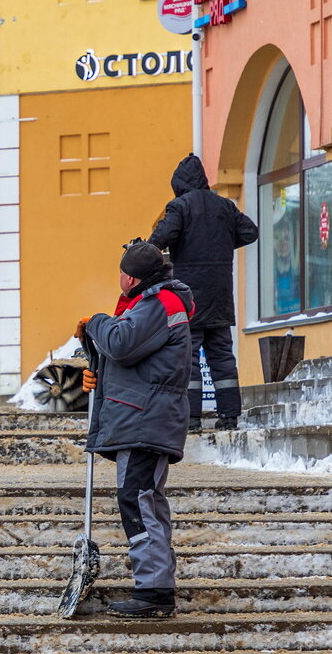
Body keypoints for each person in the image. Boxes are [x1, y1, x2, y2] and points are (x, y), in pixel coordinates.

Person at [77, 241, 194, 619]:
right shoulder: (153, 303)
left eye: (122, 273)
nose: (120, 280)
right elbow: (131, 358)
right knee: (145, 500)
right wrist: (97, 371)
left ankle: (154, 591)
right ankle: (155, 586)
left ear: (132, 277)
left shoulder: (159, 304)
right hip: (144, 417)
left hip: (147, 421)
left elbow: (122, 343)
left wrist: (95, 322)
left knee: (139, 501)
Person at [148, 153, 257, 431]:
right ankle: (229, 416)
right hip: (221, 297)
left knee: (189, 357)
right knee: (222, 356)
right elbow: (250, 232)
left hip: (190, 298)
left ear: (179, 183)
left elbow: (159, 239)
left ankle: (192, 419)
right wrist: (219, 245)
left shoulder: (179, 206)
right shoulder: (224, 206)